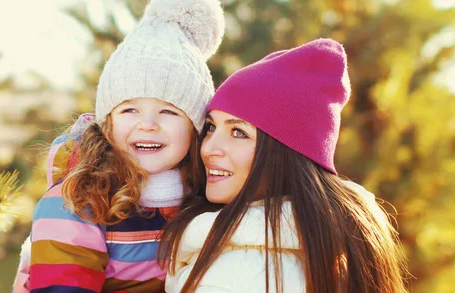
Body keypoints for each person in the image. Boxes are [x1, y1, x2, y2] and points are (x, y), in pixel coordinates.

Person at [162, 38, 408, 293]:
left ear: (286, 153)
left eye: (238, 132)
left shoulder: (236, 276)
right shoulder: (332, 249)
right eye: (211, 127)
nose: (209, 148)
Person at [14, 0, 225, 292]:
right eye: (129, 110)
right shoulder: (79, 199)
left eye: (169, 111)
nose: (148, 124)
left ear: (195, 128)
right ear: (107, 122)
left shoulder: (205, 193)